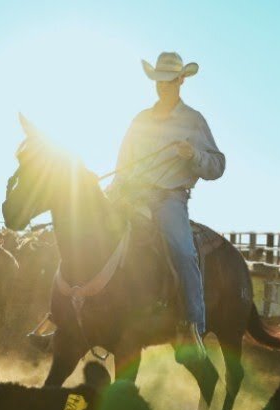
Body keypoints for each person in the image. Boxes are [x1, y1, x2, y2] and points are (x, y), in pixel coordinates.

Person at [111, 51, 226, 360]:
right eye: (157, 81)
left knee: (183, 252)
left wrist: (194, 156)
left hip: (169, 200)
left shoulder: (193, 121)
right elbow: (123, 165)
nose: (161, 86)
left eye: (168, 80)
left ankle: (193, 327)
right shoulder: (140, 120)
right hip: (131, 197)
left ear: (180, 80)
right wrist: (113, 194)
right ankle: (74, 313)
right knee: (94, 233)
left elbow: (217, 165)